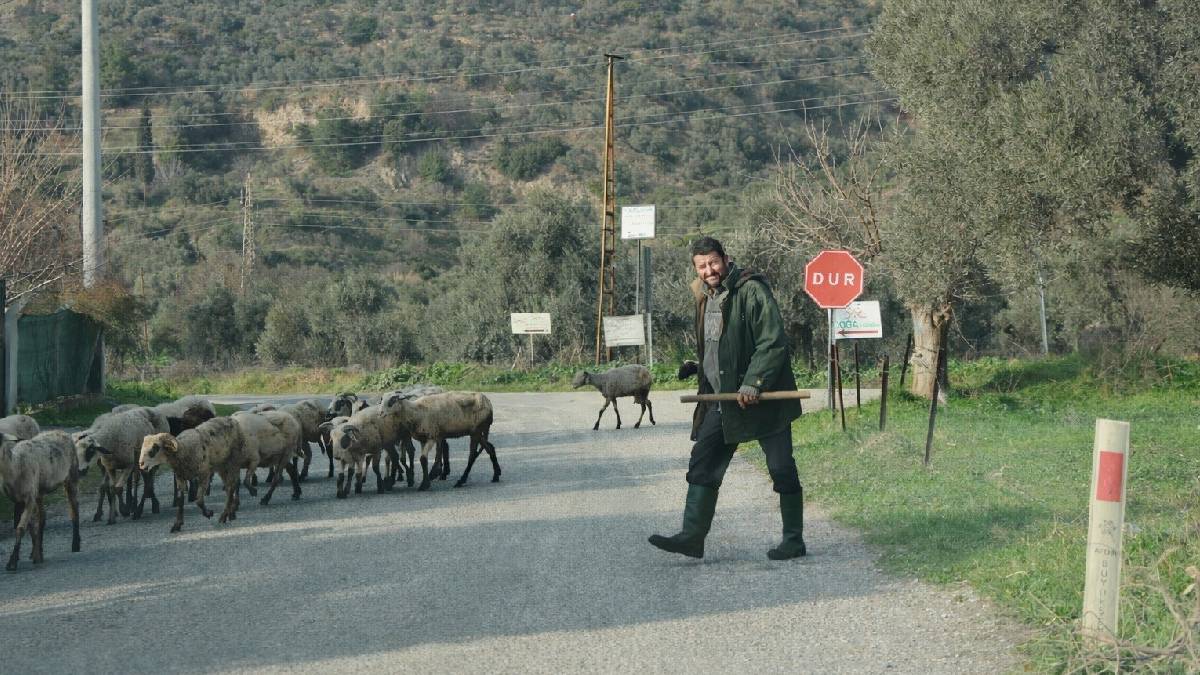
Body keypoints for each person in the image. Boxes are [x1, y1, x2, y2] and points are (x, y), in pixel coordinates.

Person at [648, 236, 806, 560]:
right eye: (702, 266)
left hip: (765, 400)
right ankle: (692, 537)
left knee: (781, 468)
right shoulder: (705, 296)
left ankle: (794, 540)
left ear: (726, 259)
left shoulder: (751, 290)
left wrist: (754, 383)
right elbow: (719, 344)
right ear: (697, 269)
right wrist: (698, 366)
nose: (709, 270)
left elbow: (772, 343)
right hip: (723, 400)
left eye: (713, 262)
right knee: (703, 461)